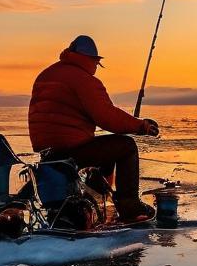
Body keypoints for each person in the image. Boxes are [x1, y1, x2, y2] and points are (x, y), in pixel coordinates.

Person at [28, 35, 159, 223]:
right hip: (71, 148)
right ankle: (129, 206)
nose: (96, 68)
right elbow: (106, 116)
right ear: (91, 60)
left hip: (49, 152)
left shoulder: (47, 74)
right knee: (126, 146)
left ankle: (99, 199)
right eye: (97, 63)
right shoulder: (83, 79)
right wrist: (141, 126)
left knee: (105, 150)